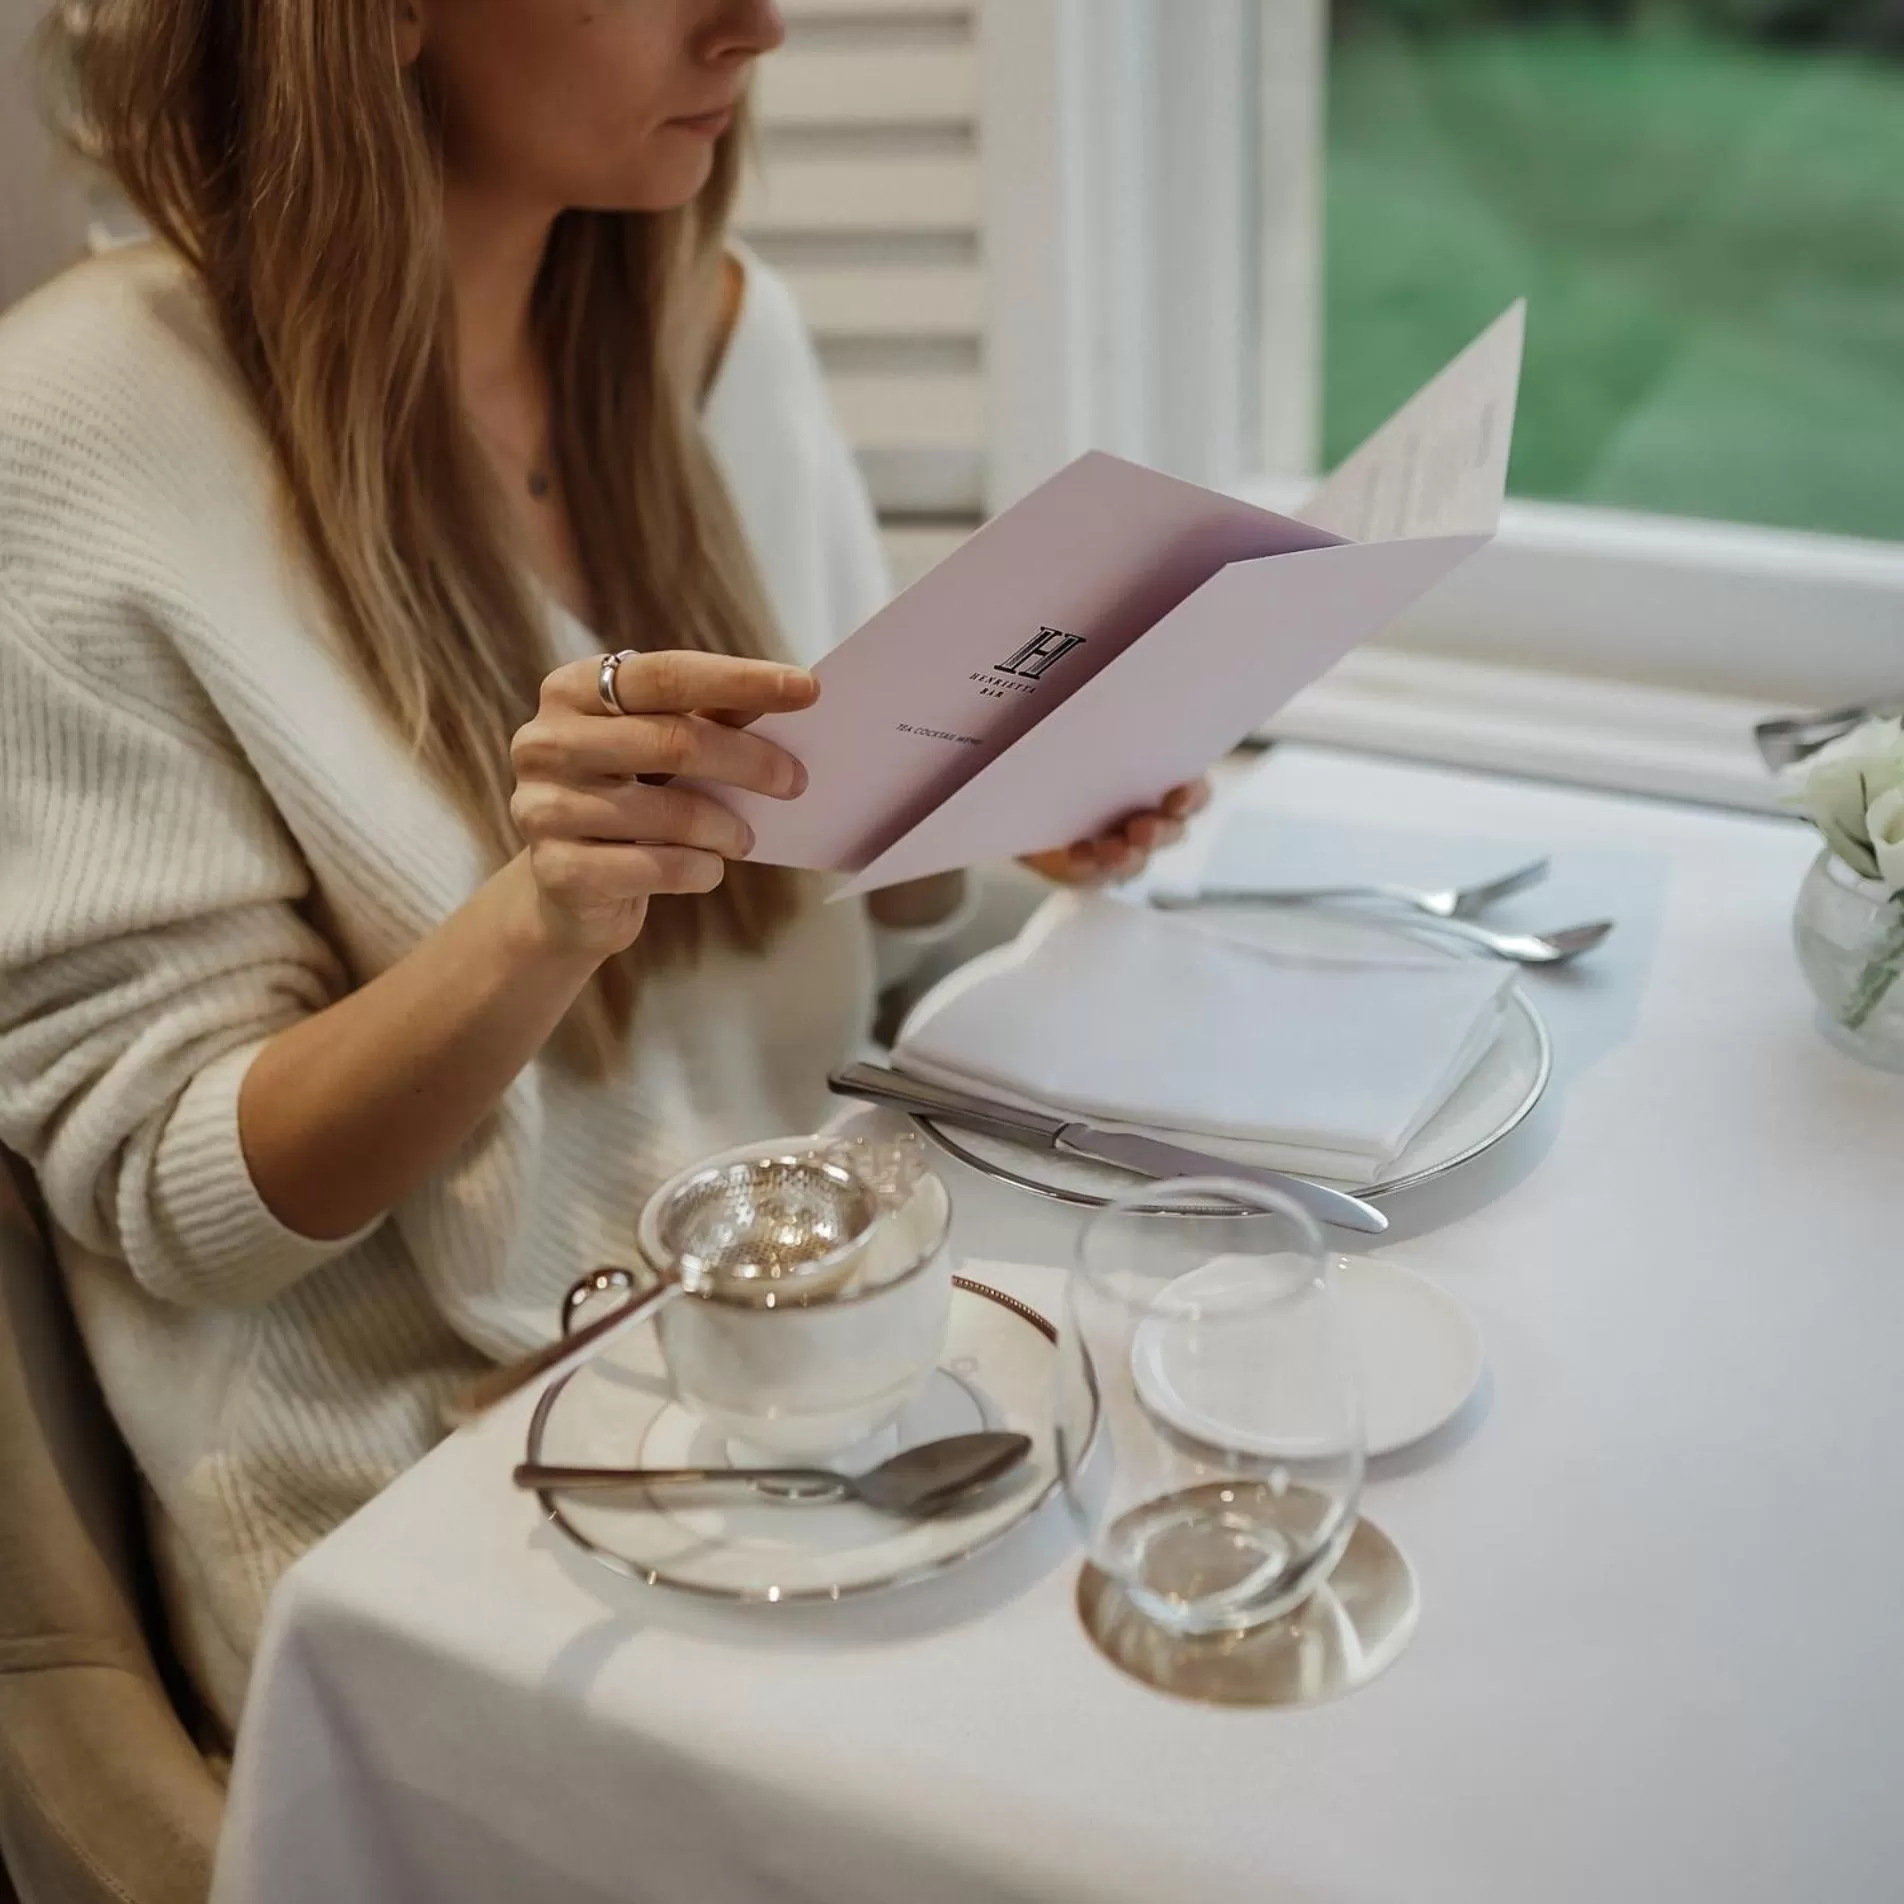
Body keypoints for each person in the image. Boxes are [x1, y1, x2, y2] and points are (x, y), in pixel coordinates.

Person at [0, 0, 1205, 1737]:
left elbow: (814, 932)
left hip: (819, 1348)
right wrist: (537, 919)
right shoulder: (75, 439)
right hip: (446, 1512)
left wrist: (978, 817)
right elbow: (176, 1206)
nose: (760, 26)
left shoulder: (712, 336)